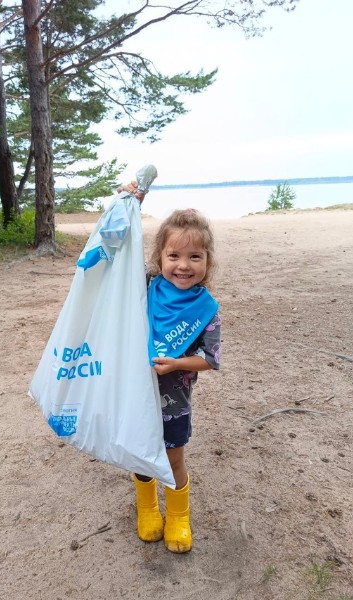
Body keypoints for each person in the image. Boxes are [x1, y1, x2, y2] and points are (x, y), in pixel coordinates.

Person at [118, 182, 221, 553]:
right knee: (141, 452)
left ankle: (178, 516)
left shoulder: (206, 309)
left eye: (195, 257)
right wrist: (131, 203)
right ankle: (147, 508)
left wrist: (178, 362)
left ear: (208, 262)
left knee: (174, 456)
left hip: (174, 400)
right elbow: (119, 256)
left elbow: (210, 359)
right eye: (174, 255)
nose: (183, 265)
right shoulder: (144, 287)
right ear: (160, 258)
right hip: (135, 394)